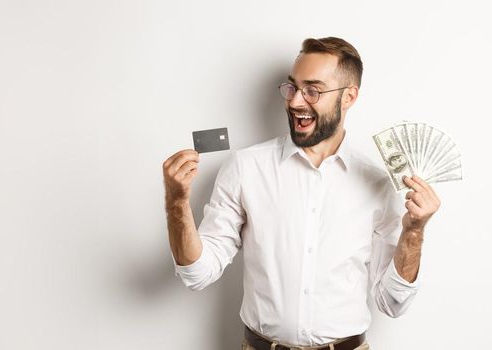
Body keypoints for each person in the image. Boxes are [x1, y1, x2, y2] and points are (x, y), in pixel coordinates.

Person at [162, 37, 441, 350]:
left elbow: (393, 302)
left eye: (313, 90)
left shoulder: (378, 183)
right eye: (292, 87)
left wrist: (414, 232)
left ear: (349, 96)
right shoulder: (245, 168)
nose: (295, 101)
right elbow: (197, 274)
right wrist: (176, 203)